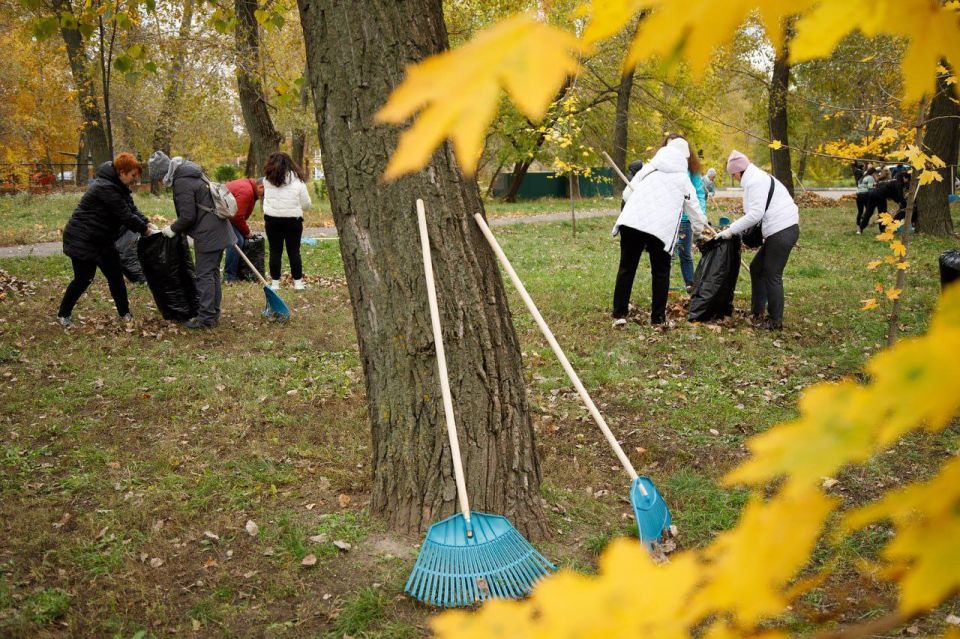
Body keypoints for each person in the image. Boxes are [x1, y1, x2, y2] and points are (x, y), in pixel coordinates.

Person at [612, 136, 707, 327]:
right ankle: (657, 319)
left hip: (632, 222)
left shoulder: (648, 168)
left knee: (627, 268)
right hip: (660, 229)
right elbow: (693, 207)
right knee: (661, 271)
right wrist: (699, 231)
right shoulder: (682, 178)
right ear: (684, 157)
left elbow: (626, 194)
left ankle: (619, 313)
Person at [58, 153, 158, 327]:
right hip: (82, 239)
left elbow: (132, 209)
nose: (134, 179)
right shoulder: (105, 188)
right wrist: (146, 230)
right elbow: (126, 216)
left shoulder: (119, 186)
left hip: (103, 240)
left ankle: (125, 314)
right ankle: (63, 314)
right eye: (132, 175)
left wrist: (148, 222)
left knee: (116, 276)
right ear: (121, 172)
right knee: (83, 279)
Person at [716, 150, 799, 331]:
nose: (734, 178)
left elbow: (755, 214)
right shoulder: (755, 179)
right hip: (779, 230)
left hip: (783, 230)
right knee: (756, 268)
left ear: (738, 171)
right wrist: (736, 231)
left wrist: (730, 231)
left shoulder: (755, 182)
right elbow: (754, 213)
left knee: (772, 274)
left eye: (733, 174)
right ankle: (757, 312)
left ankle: (775, 321)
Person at [161, 157, 232, 329]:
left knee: (204, 275)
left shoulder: (182, 182)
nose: (160, 181)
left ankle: (206, 318)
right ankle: (213, 313)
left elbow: (187, 216)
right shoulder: (193, 174)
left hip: (209, 233)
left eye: (159, 177)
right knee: (212, 272)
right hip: (218, 228)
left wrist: (172, 229)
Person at [662, 134, 708, 291]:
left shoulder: (691, 169)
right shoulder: (662, 167)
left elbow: (699, 193)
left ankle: (690, 283)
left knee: (685, 253)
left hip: (686, 217)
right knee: (666, 253)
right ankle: (662, 284)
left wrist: (699, 215)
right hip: (667, 216)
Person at [262, 152, 312, 290]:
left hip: (271, 220)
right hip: (293, 221)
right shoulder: (298, 182)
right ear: (290, 163)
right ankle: (298, 283)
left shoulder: (266, 181)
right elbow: (307, 204)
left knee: (275, 251)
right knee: (294, 251)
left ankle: (275, 284)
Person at [224, 176, 264, 282]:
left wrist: (244, 231)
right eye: (265, 192)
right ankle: (229, 277)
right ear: (261, 187)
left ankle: (237, 273)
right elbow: (237, 216)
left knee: (239, 238)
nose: (264, 196)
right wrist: (247, 232)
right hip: (220, 215)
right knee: (237, 241)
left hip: (226, 215)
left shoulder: (250, 189)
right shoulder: (247, 191)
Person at [855, 166, 878, 232]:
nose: (875, 175)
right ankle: (864, 221)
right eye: (875, 173)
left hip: (858, 195)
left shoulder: (862, 177)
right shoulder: (870, 177)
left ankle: (858, 225)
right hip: (865, 195)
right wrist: (876, 186)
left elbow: (859, 186)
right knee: (869, 210)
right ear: (873, 173)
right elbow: (870, 188)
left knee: (860, 211)